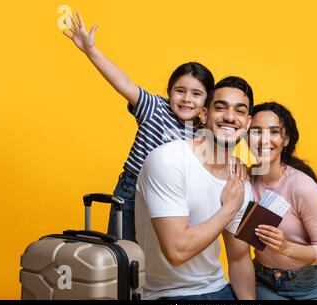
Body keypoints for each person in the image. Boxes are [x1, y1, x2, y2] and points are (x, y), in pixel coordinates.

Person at [62, 12, 215, 241]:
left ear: (206, 102)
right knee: (123, 253)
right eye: (180, 91)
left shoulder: (204, 131)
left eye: (196, 94)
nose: (186, 99)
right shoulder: (155, 107)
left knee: (160, 257)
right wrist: (91, 50)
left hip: (173, 195)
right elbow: (123, 82)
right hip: (132, 190)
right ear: (169, 91)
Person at [135, 77, 256, 300]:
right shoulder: (168, 160)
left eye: (240, 111)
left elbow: (240, 258)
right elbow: (176, 251)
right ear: (203, 114)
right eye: (220, 108)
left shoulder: (242, 181)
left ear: (247, 123)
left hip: (219, 289)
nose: (230, 117)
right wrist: (229, 209)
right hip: (168, 295)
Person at [248, 102, 317, 300]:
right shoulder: (246, 180)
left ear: (286, 140)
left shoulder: (302, 187)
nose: (264, 139)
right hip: (263, 283)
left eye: (274, 132)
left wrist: (286, 248)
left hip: (311, 285)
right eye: (256, 131)